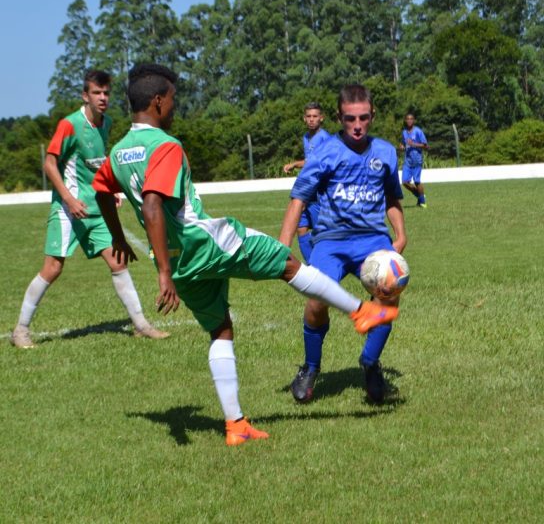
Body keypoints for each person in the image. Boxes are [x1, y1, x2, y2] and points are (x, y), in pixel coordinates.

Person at [91, 64, 398, 446]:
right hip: (204, 243)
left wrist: (119, 237)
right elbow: (153, 205)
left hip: (179, 261)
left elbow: (100, 190)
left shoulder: (119, 152)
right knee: (287, 264)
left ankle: (235, 424)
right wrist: (163, 275)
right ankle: (361, 311)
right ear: (157, 101)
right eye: (172, 100)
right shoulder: (165, 146)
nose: (174, 106)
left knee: (220, 328)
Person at [11, 70, 168, 349]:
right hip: (67, 210)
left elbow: (98, 164)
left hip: (94, 208)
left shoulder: (106, 124)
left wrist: (111, 190)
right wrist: (70, 200)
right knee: (53, 267)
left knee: (117, 261)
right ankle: (20, 331)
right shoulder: (69, 125)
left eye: (106, 93)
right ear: (86, 96)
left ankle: (141, 325)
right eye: (97, 93)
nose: (103, 98)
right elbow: (50, 164)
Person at [280, 84, 407, 404]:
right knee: (316, 301)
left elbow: (392, 196)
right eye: (350, 119)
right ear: (339, 117)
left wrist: (401, 233)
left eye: (364, 118)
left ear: (373, 116)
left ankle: (370, 363)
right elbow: (299, 198)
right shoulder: (324, 152)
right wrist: (282, 245)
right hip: (331, 241)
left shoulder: (386, 152)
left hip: (373, 240)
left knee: (389, 297)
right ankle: (310, 368)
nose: (357, 125)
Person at [282, 102, 331, 262]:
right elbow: (310, 161)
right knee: (301, 228)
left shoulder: (324, 138)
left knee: (320, 232)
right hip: (307, 189)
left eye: (315, 116)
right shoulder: (306, 138)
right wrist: (295, 164)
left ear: (321, 118)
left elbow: (323, 165)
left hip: (318, 192)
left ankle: (325, 264)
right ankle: (312, 266)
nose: (311, 119)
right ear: (304, 119)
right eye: (308, 116)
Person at [398, 113, 429, 208]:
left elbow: (426, 146)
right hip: (408, 161)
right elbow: (403, 144)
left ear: (414, 120)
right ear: (405, 120)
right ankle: (420, 196)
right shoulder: (404, 132)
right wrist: (402, 147)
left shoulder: (418, 131)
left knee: (417, 182)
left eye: (411, 119)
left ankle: (423, 202)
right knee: (404, 182)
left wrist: (414, 144)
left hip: (417, 160)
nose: (409, 121)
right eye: (407, 119)